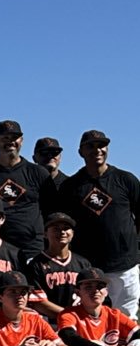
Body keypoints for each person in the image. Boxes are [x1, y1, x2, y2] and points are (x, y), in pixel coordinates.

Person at [56, 130, 140, 318]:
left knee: (126, 318)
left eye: (101, 145)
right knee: (89, 317)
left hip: (124, 264)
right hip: (88, 266)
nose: (97, 150)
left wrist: (132, 244)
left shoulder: (126, 180)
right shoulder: (71, 186)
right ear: (80, 152)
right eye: (90, 146)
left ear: (107, 148)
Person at [0, 120, 53, 262]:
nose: (10, 142)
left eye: (14, 138)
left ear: (22, 140)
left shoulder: (39, 173)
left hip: (33, 250)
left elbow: (51, 210)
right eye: (5, 138)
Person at [25, 213, 93, 319]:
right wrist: (71, 316)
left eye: (66, 228)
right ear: (45, 234)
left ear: (73, 233)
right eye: (56, 229)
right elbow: (38, 303)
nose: (62, 232)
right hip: (49, 324)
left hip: (80, 322)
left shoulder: (83, 263)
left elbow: (92, 295)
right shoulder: (36, 264)